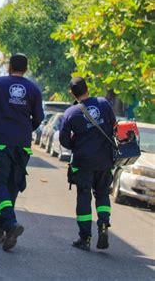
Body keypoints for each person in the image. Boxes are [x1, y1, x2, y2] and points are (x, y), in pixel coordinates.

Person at [0, 53, 44, 251]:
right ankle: (0, 231)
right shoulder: (33, 89)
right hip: (22, 145)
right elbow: (39, 117)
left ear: (9, 66)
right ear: (26, 68)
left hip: (1, 143)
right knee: (12, 185)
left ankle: (11, 224)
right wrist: (25, 129)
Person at [59, 77, 116, 251]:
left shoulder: (70, 113)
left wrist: (77, 145)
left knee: (84, 197)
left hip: (83, 162)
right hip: (105, 160)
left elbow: (64, 140)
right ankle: (104, 224)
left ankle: (85, 239)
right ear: (87, 89)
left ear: (72, 93)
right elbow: (114, 126)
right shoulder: (103, 103)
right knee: (102, 194)